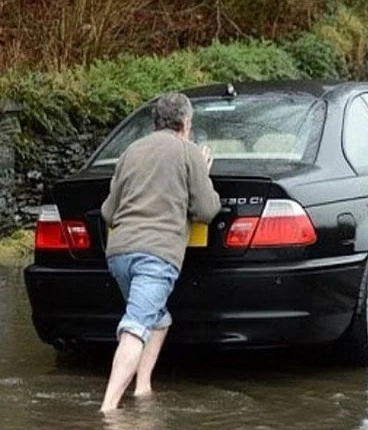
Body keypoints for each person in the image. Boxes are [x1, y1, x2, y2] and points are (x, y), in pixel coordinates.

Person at [99, 93, 221, 412]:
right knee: (136, 325)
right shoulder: (189, 152)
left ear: (155, 122)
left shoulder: (131, 151)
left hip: (119, 255)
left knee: (158, 318)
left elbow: (108, 212)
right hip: (157, 255)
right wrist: (203, 174)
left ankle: (143, 388)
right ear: (186, 123)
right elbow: (206, 210)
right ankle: (108, 410)